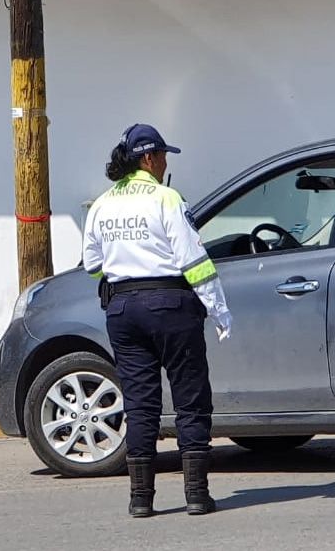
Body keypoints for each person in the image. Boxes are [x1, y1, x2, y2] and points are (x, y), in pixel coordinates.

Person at [82, 123, 233, 518]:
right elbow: (194, 261)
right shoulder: (167, 199)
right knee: (190, 398)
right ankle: (196, 495)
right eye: (164, 155)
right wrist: (219, 309)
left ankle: (140, 499)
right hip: (171, 306)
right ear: (148, 158)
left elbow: (93, 264)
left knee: (140, 404)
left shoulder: (102, 204)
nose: (166, 162)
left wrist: (125, 277)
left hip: (122, 310)